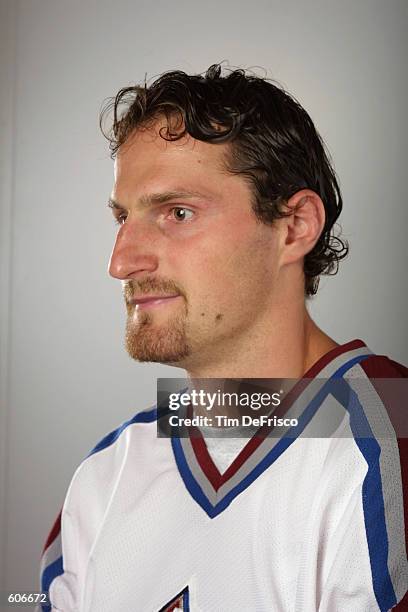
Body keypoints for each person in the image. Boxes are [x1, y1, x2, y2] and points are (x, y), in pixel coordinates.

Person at [39, 63, 407, 611]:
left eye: (177, 212)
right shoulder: (107, 472)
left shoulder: (390, 439)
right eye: (122, 218)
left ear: (295, 226)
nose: (121, 263)